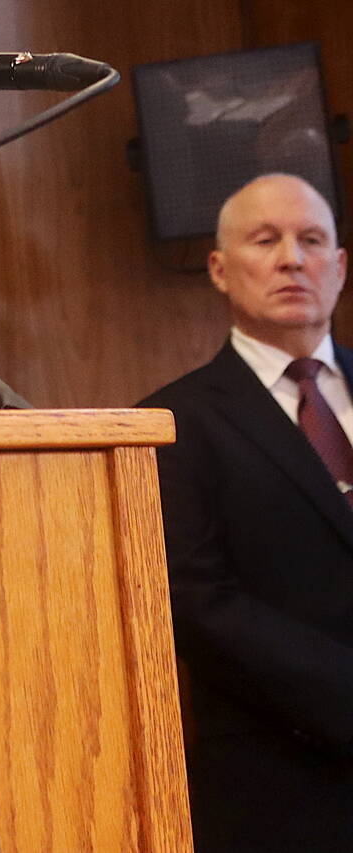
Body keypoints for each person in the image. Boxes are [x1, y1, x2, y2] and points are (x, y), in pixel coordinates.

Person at [138, 172, 353, 851]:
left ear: (340, 267)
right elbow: (200, 602)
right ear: (221, 269)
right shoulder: (172, 422)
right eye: (267, 240)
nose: (293, 258)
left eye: (312, 239)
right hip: (280, 789)